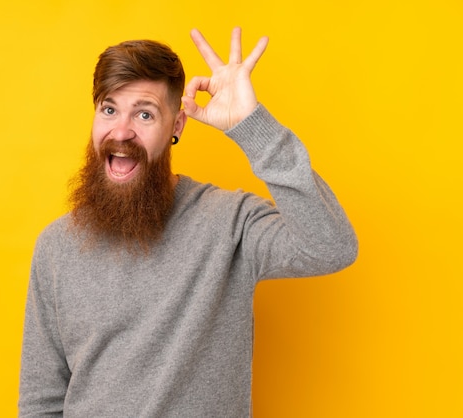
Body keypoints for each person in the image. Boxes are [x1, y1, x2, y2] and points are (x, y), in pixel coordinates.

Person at [19, 27, 358, 417]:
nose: (122, 131)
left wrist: (253, 128)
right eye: (109, 110)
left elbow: (331, 245)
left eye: (145, 114)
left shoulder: (228, 223)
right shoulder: (56, 247)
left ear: (177, 126)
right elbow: (41, 403)